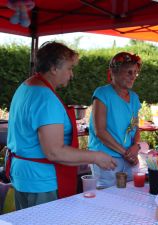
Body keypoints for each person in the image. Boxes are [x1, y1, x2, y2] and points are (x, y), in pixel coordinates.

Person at [5, 41, 116, 210]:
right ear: (54, 68)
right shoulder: (46, 98)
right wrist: (96, 156)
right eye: (69, 68)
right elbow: (54, 151)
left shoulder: (25, 87)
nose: (71, 74)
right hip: (41, 181)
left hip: (23, 176)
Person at [88, 52, 142, 188]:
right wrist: (125, 153)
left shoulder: (134, 97)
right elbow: (100, 131)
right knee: (106, 200)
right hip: (107, 159)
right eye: (129, 72)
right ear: (114, 72)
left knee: (129, 197)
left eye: (135, 72)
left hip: (128, 158)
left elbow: (135, 126)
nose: (133, 76)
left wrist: (136, 145)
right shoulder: (102, 93)